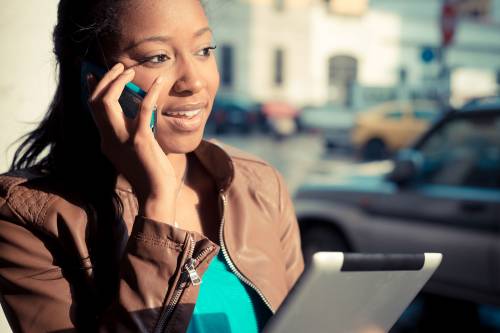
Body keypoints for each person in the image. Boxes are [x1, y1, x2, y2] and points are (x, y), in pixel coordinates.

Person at [0, 0, 304, 332]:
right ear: (93, 77)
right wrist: (157, 205)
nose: (193, 82)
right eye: (157, 57)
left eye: (203, 50)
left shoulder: (259, 184)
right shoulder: (25, 216)